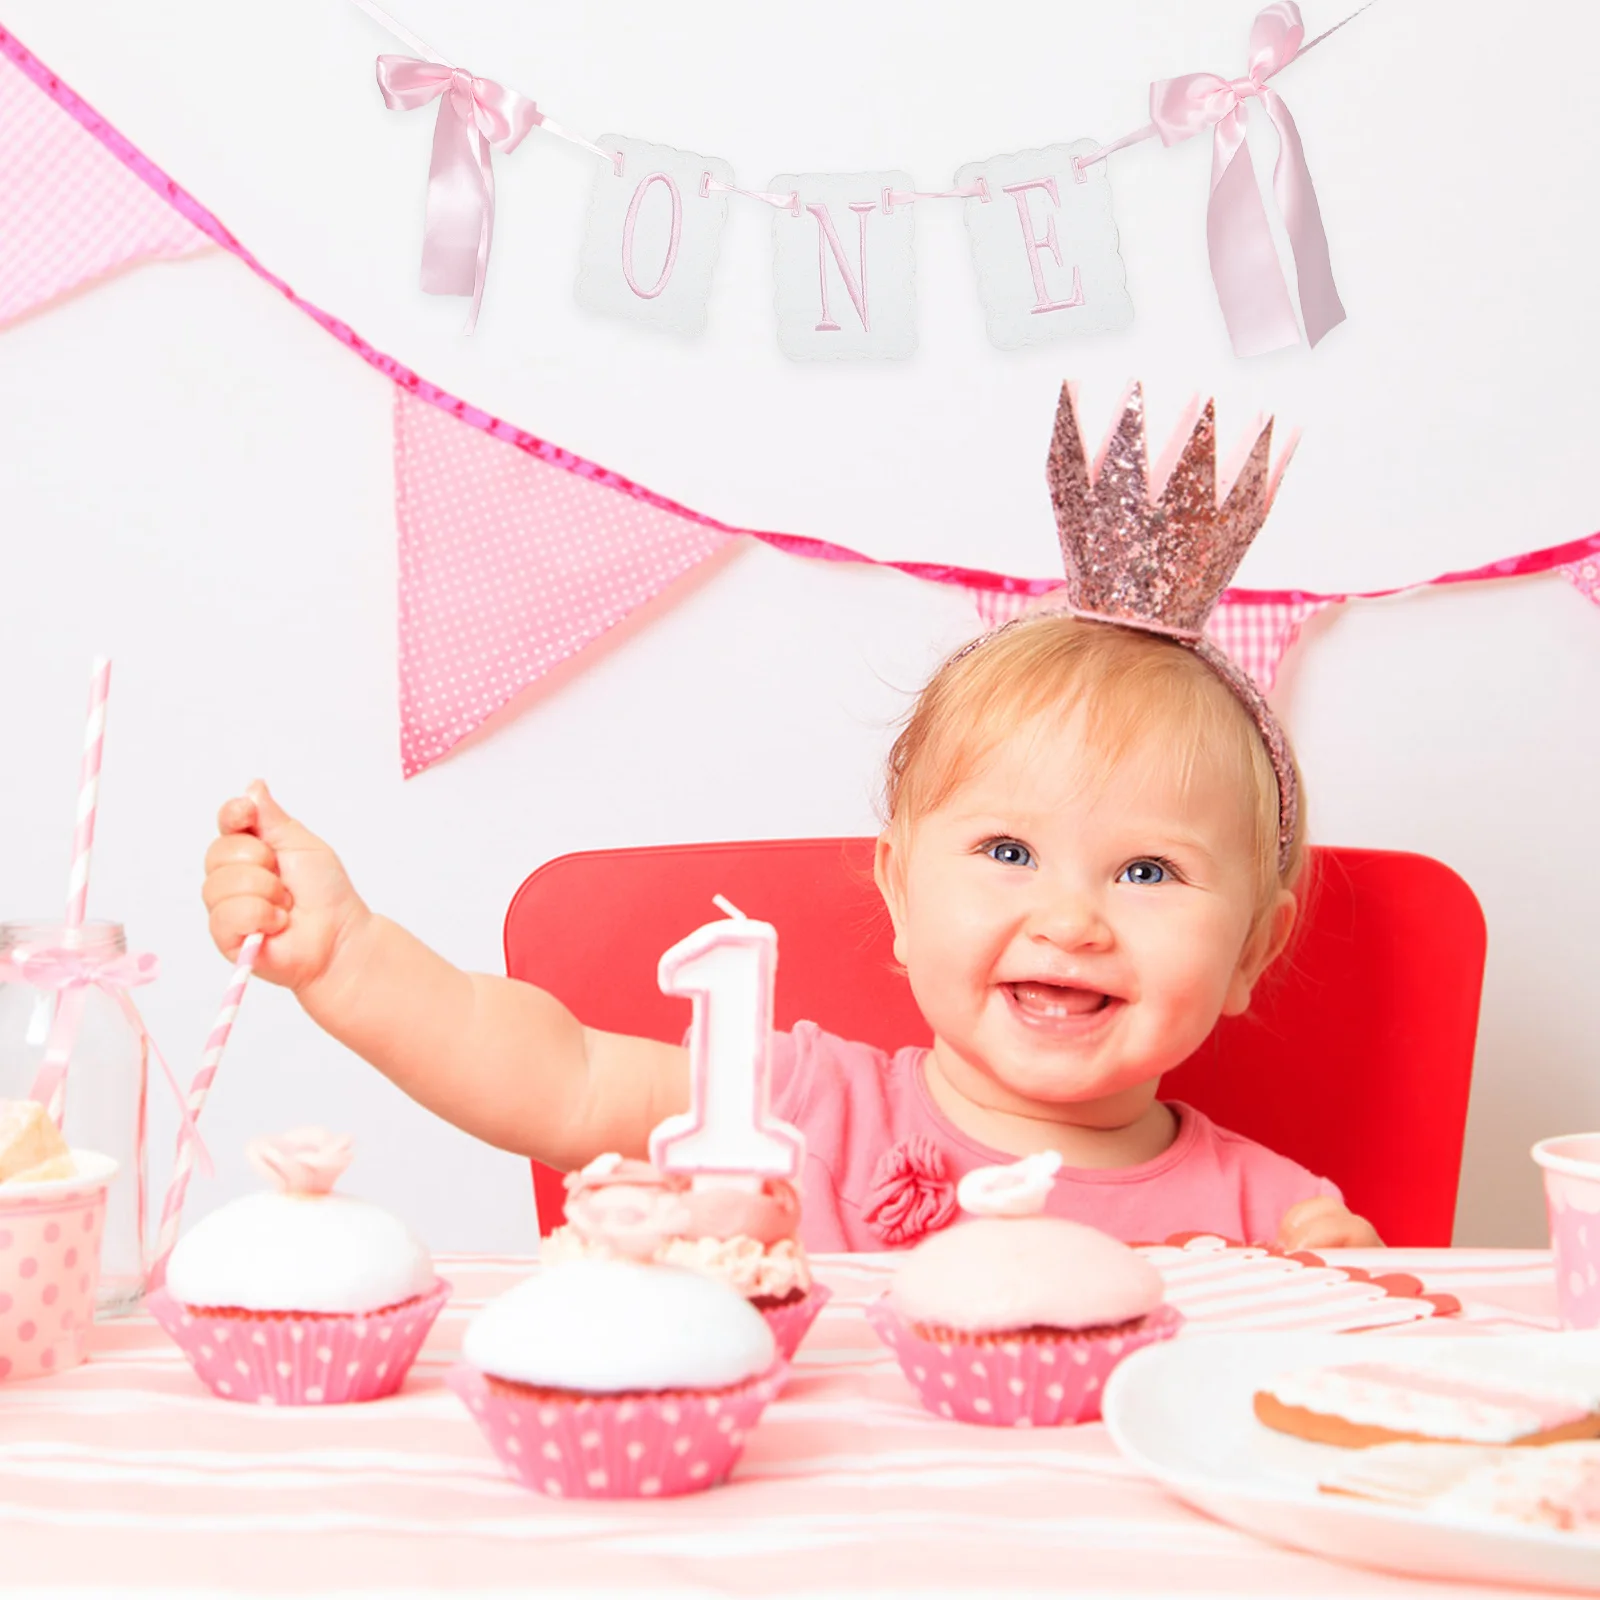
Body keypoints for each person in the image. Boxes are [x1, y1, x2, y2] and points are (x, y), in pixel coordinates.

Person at [200, 384, 1381, 1253]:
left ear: (1251, 952)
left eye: (1147, 872)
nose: (1069, 918)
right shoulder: (802, 1110)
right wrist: (347, 956)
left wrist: (1349, 1297)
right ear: (899, 896)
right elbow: (548, 1076)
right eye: (1008, 851)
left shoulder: (1277, 1223)